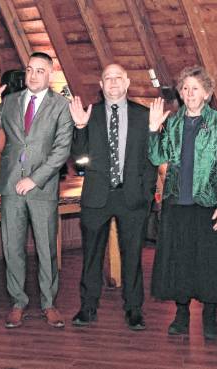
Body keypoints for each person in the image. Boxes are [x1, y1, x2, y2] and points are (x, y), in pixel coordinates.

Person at [0, 52, 74, 329]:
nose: (33, 76)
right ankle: (18, 302)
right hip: (10, 185)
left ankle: (48, 303)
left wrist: (34, 179)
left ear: (51, 74)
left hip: (42, 188)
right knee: (12, 247)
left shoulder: (61, 106)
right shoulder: (9, 101)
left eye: (40, 71)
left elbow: (61, 151)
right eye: (30, 70)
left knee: (47, 248)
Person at [148, 65, 217, 340]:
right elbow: (156, 158)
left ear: (207, 93)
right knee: (180, 261)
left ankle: (210, 317)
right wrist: (154, 131)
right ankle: (181, 314)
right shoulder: (173, 122)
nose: (189, 93)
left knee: (209, 263)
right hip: (177, 204)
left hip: (209, 205)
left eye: (195, 89)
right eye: (185, 89)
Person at [68, 64, 157, 330]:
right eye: (109, 78)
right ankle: (87, 307)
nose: (114, 83)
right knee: (92, 255)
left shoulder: (144, 115)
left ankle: (133, 309)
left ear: (127, 82)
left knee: (132, 256)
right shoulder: (89, 114)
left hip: (132, 197)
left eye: (119, 78)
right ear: (101, 83)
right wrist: (80, 127)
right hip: (97, 195)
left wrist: (147, 194)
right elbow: (79, 158)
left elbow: (152, 160)